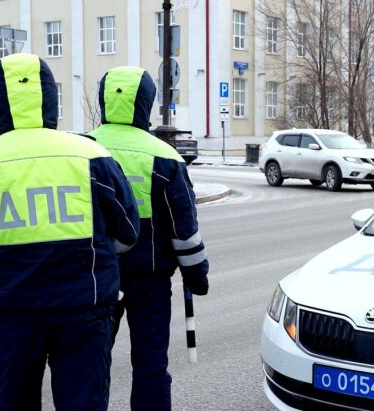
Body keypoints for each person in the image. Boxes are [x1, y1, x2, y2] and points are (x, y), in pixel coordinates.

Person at [0, 53, 140, 411]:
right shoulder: (90, 154)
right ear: (50, 97)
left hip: (14, 313)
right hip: (85, 308)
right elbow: (127, 232)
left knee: (14, 401)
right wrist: (94, 261)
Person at [88, 66, 209, 411]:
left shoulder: (81, 148)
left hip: (96, 280)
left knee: (92, 366)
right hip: (150, 281)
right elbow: (183, 230)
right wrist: (196, 276)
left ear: (103, 100)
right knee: (151, 366)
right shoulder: (166, 158)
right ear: (146, 103)